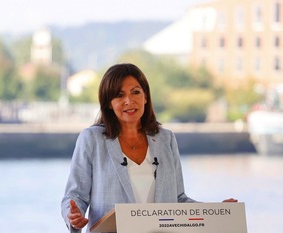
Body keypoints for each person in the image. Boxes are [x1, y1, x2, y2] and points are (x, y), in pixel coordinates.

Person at [61, 63, 237, 232]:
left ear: (145, 97)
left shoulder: (165, 139)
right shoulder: (92, 139)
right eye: (119, 95)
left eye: (136, 92)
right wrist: (73, 216)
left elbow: (178, 200)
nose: (129, 101)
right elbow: (75, 196)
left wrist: (217, 213)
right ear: (108, 102)